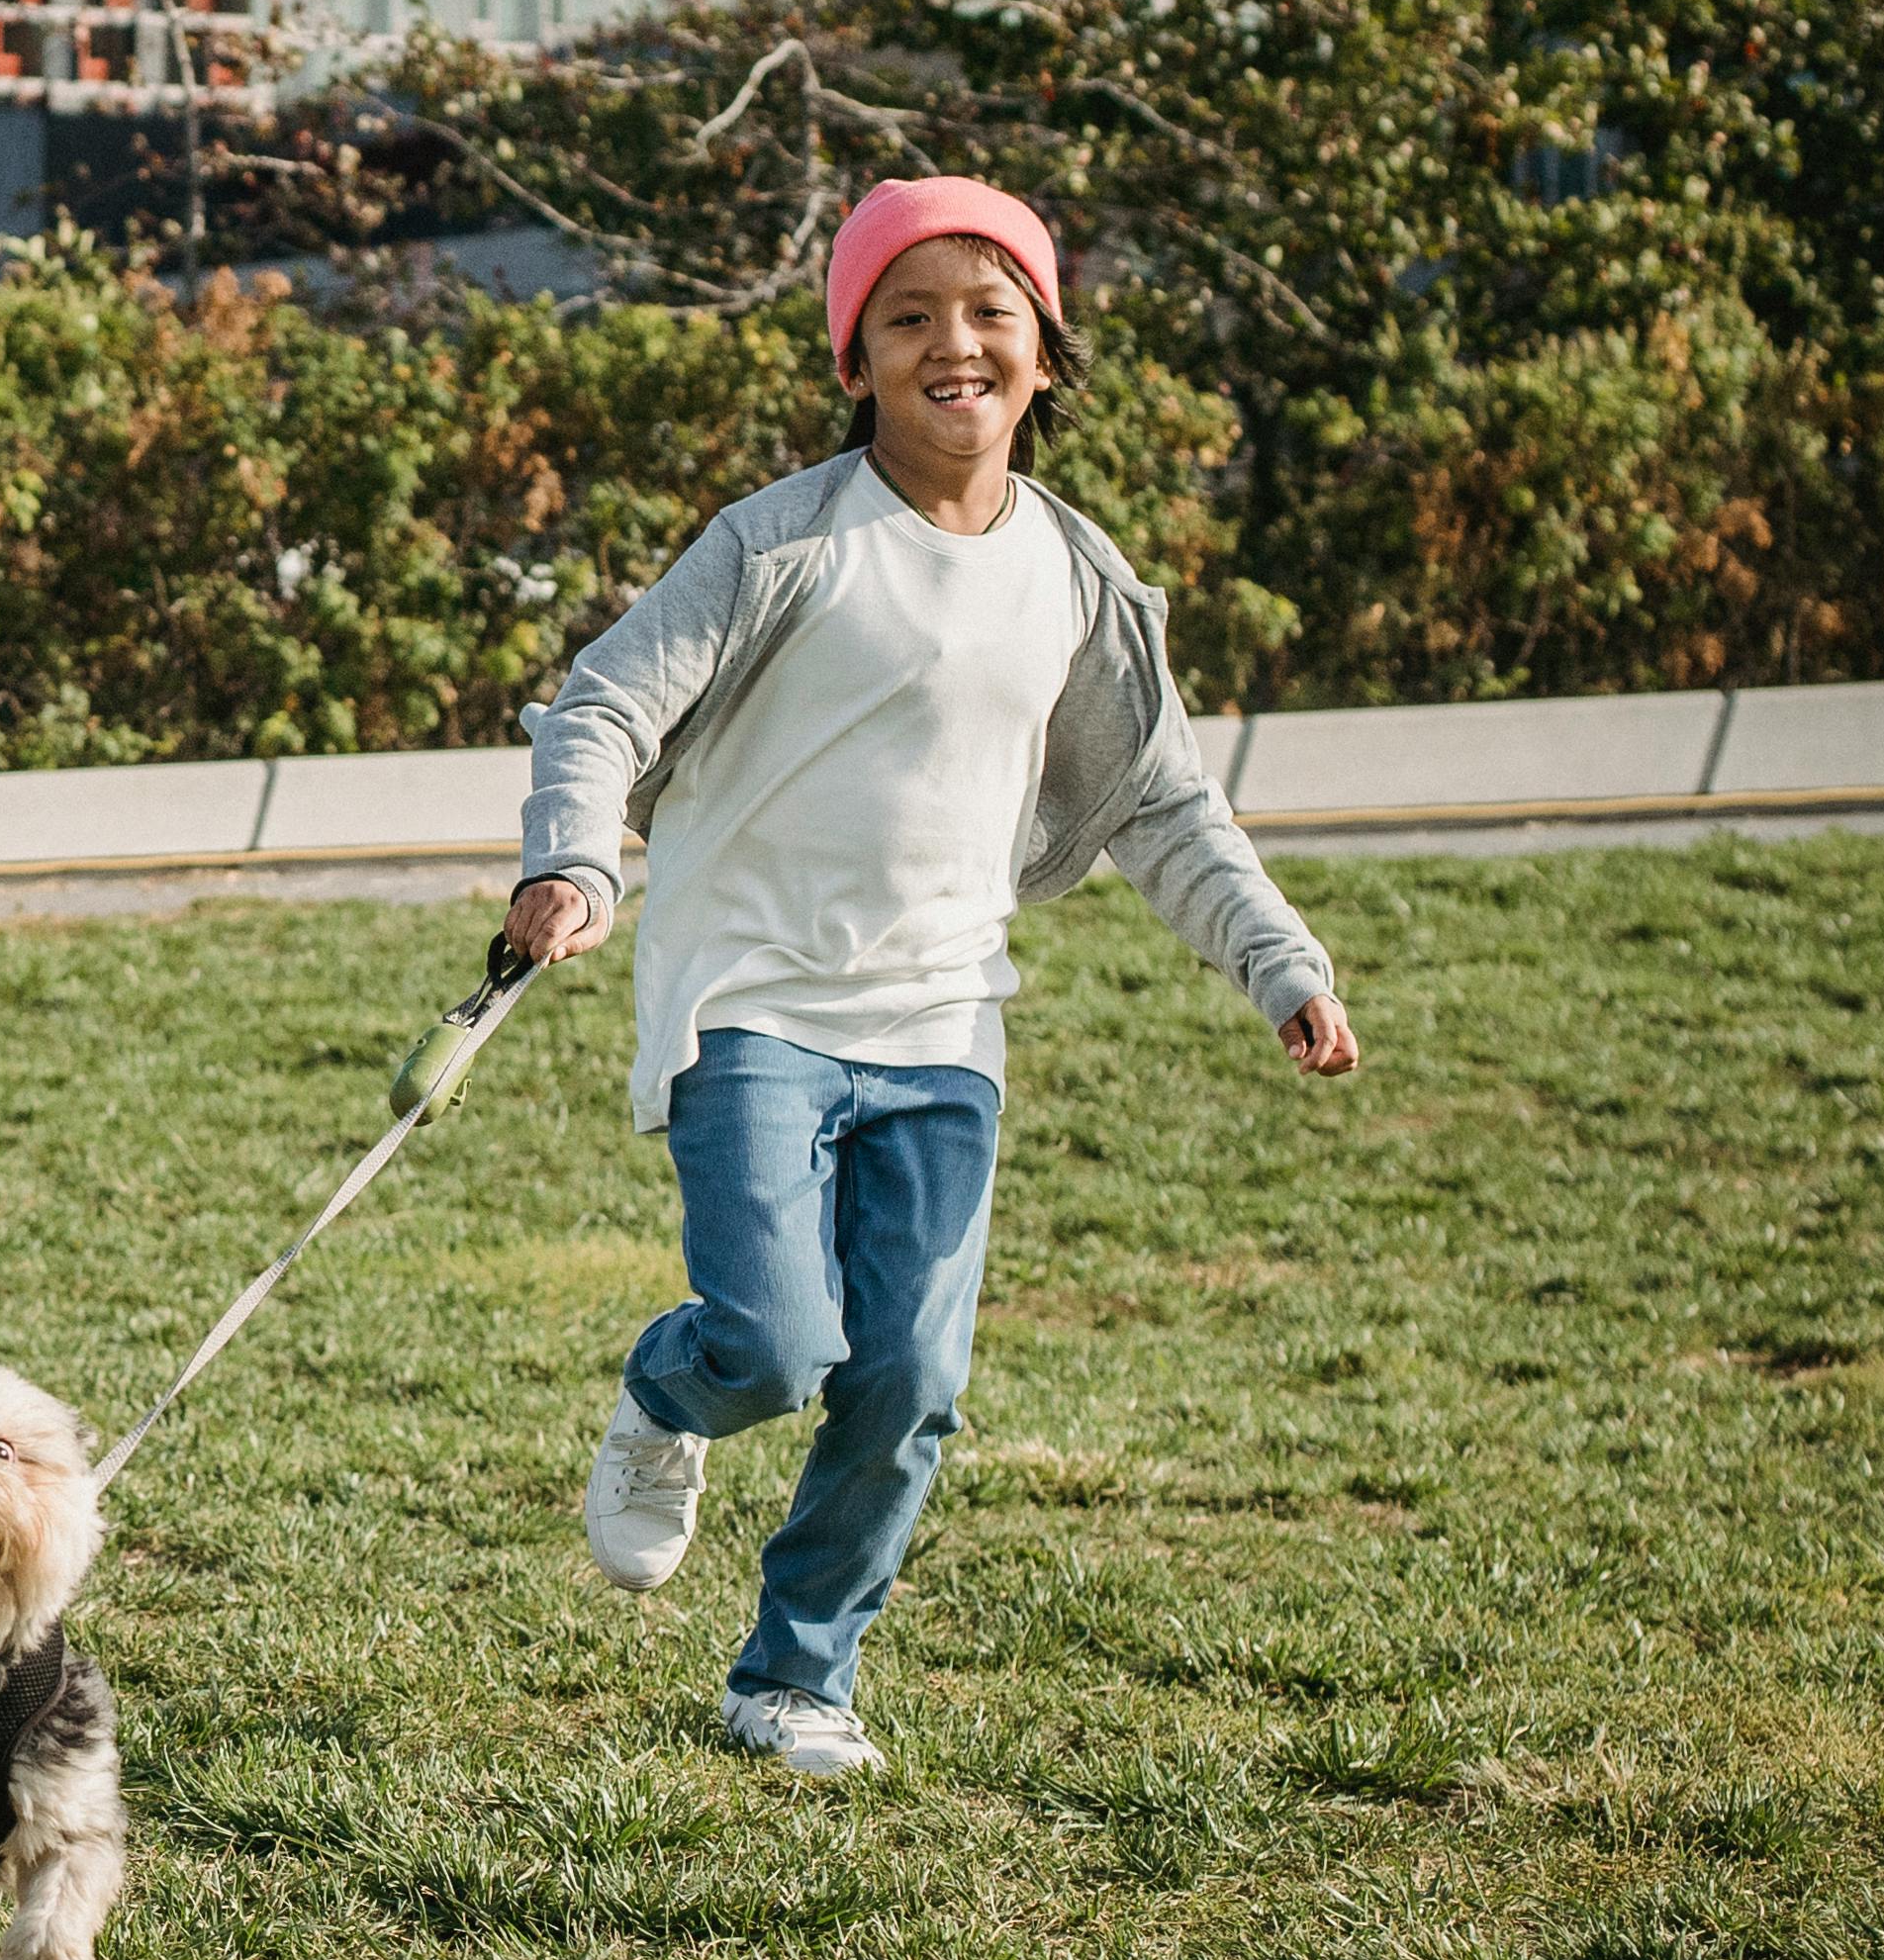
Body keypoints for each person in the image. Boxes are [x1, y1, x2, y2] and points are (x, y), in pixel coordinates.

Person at [500, 177, 1361, 1781]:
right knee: (771, 1344)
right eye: (905, 317)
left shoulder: (1077, 579)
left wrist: (1277, 964)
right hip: (748, 997)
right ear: (855, 361)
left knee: (905, 1378)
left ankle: (792, 1678)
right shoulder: (780, 543)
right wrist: (569, 859)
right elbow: (602, 705)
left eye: (987, 312)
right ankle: (666, 1394)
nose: (949, 343)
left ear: (1044, 351)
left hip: (942, 1022)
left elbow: (1161, 801)